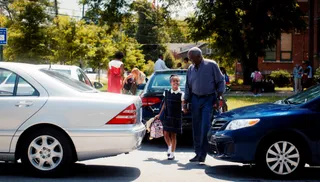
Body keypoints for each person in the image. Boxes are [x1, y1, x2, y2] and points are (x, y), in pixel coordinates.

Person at [183, 47, 225, 163]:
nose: (190, 61)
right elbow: (188, 86)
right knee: (196, 127)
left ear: (199, 56)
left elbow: (220, 81)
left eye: (192, 59)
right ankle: (197, 153)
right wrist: (185, 101)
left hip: (208, 99)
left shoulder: (211, 65)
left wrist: (220, 97)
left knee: (205, 126)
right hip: (195, 99)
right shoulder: (191, 69)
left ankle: (203, 154)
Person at [155, 75, 184, 160]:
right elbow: (164, 104)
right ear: (170, 83)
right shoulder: (166, 92)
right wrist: (159, 114)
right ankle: (170, 146)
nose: (175, 83)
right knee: (166, 134)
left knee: (173, 135)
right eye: (173, 81)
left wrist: (184, 109)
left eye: (177, 81)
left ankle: (172, 153)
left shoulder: (181, 94)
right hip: (167, 115)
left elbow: (183, 105)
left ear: (179, 83)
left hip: (176, 117)